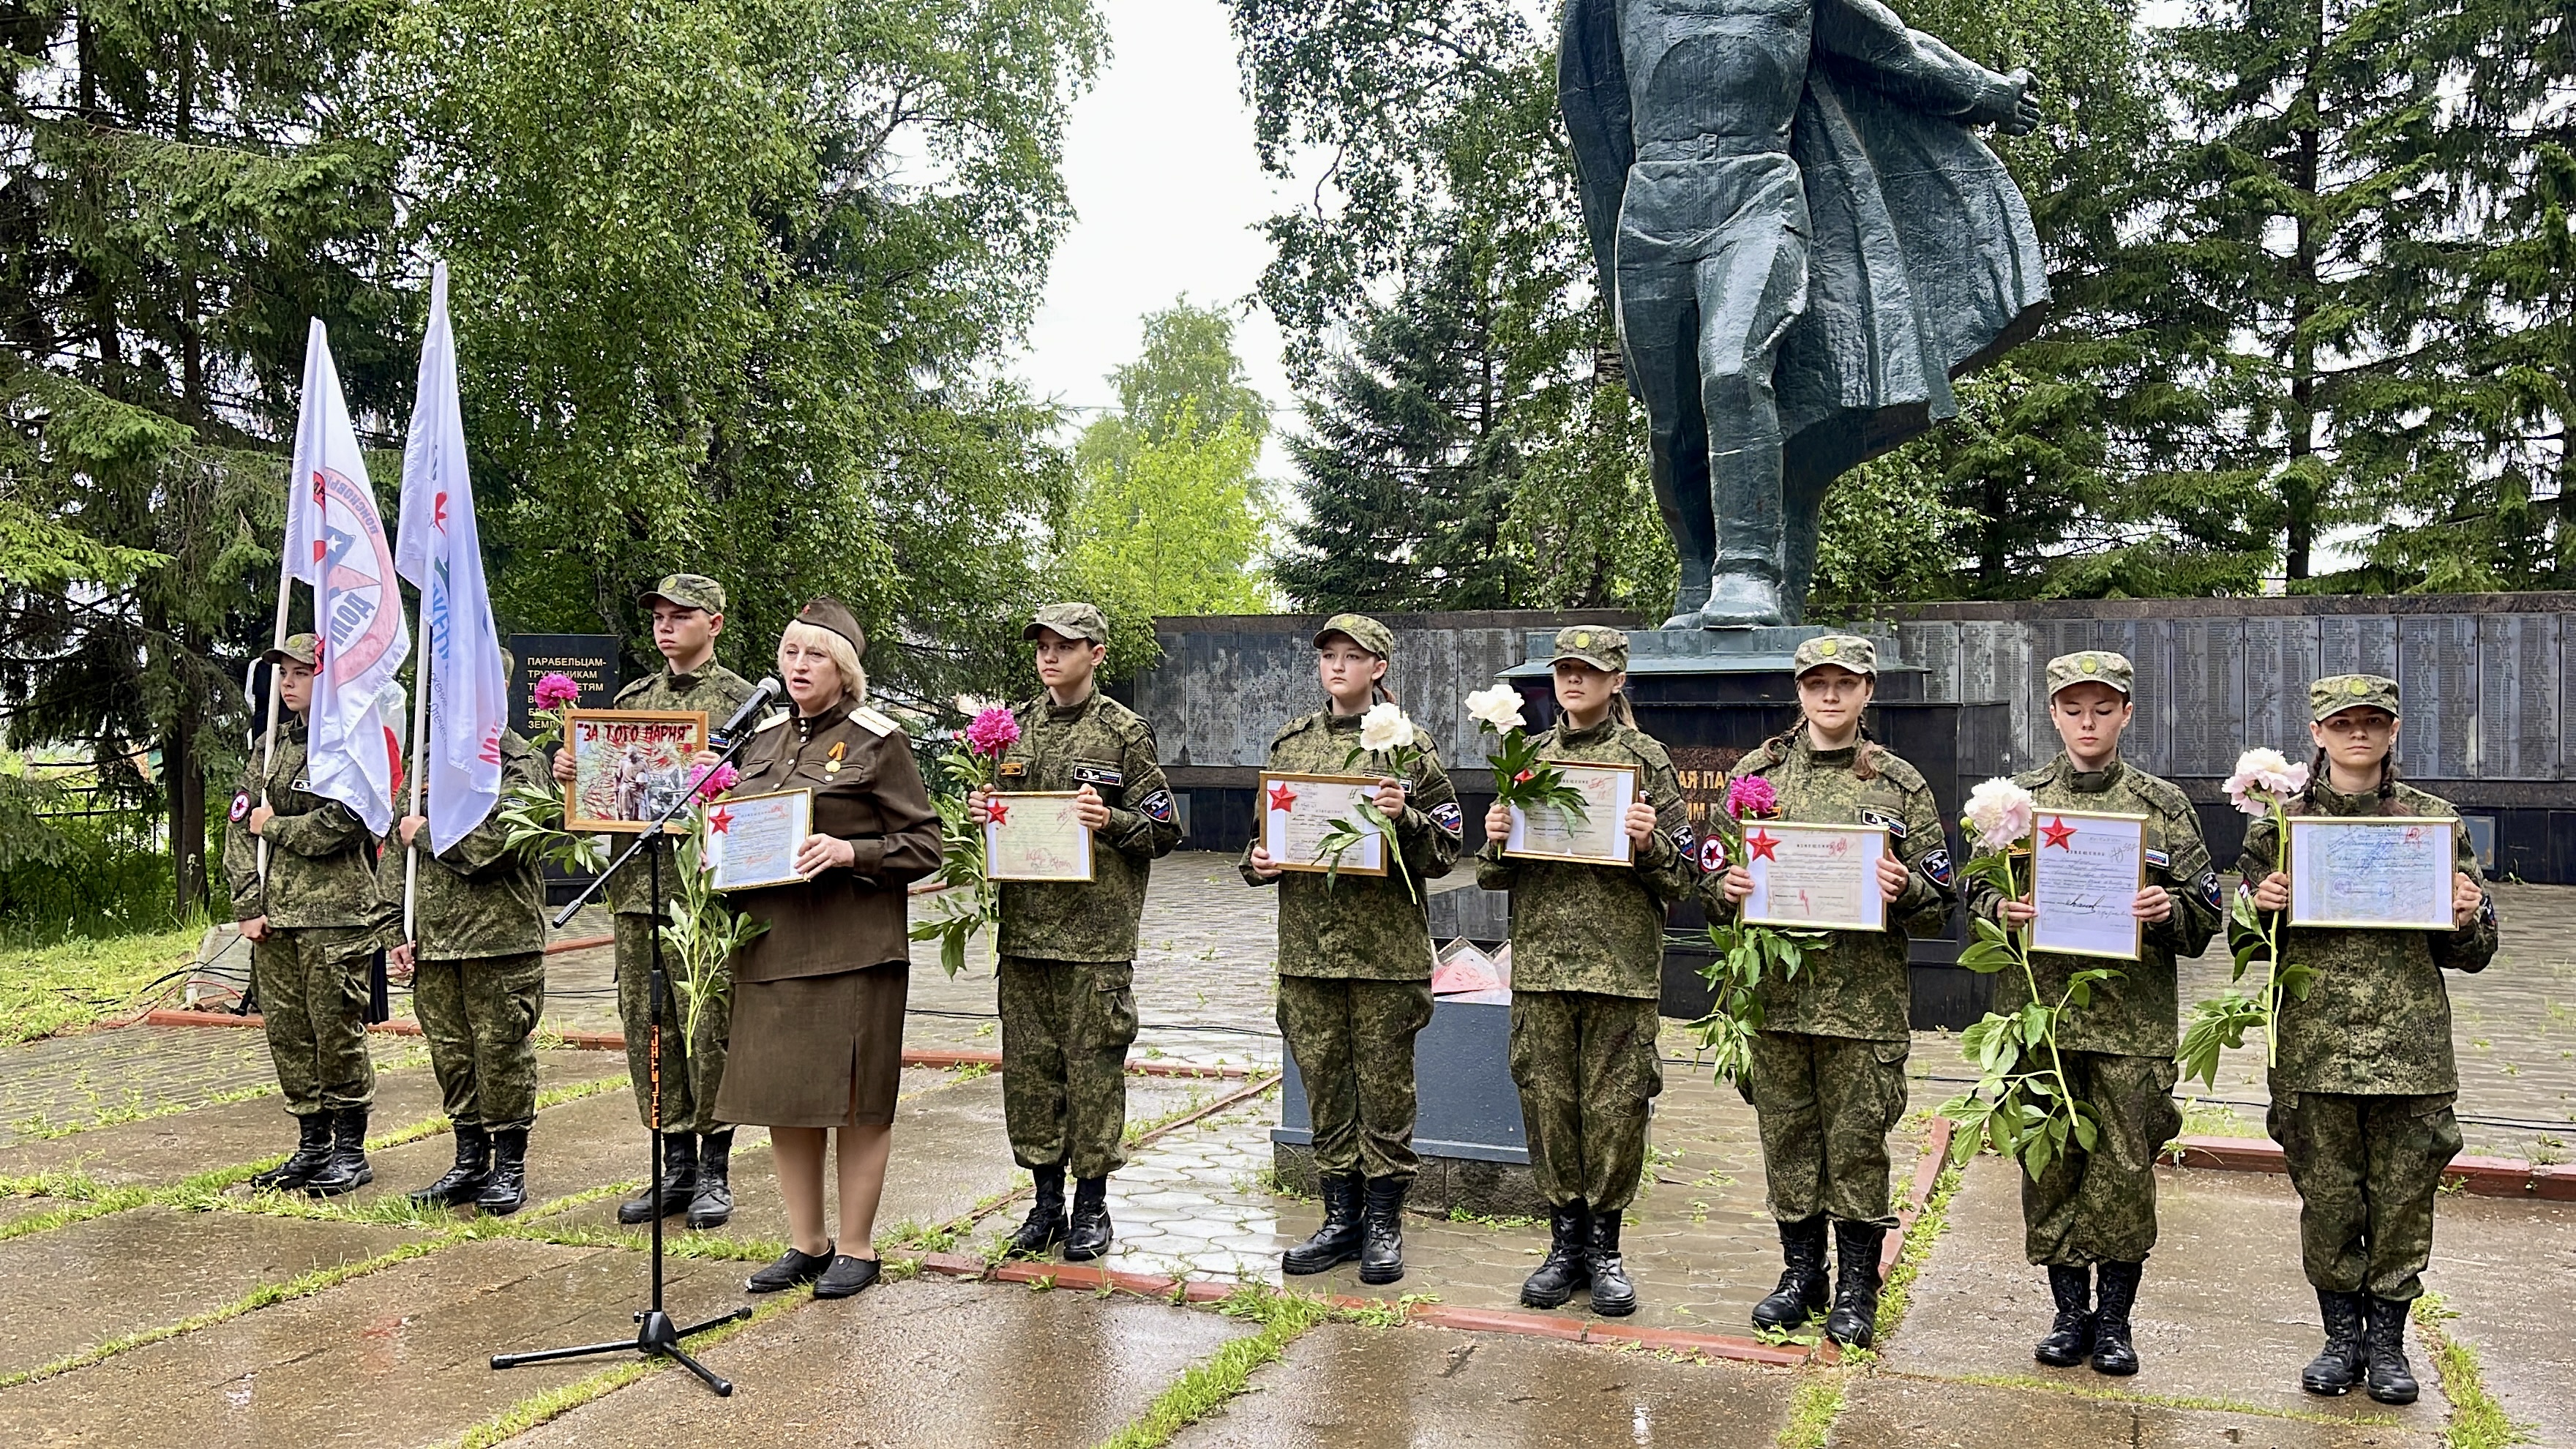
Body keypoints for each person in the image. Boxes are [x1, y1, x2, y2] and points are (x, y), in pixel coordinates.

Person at [2237, 674, 2496, 1405]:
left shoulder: (2433, 823)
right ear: (2316, 733)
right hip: (2314, 1053)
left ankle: (2386, 1345)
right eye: (2341, 722)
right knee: (2327, 1204)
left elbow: (2472, 953)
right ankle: (2338, 1338)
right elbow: (2239, 941)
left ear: (2392, 730)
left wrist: (2468, 912)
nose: (2357, 733)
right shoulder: (2278, 825)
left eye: (2371, 721)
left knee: (2404, 1203)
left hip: (2409, 1055)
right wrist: (2261, 906)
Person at [1962, 651, 2221, 1375]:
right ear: (2052, 713)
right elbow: (1970, 890)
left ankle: (2114, 1323)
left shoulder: (2161, 805)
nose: (2087, 721)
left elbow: (2207, 916)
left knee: (2123, 1170)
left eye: (2102, 708)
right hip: (2039, 1022)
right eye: (2073, 708)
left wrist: (2169, 909)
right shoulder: (2013, 804)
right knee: (2049, 1170)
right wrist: (2000, 909)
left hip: (2129, 1027)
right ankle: (2067, 1314)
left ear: (2125, 713)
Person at [1711, 634, 1953, 1348]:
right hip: (1777, 1002)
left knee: (1854, 1146)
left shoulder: (1899, 784)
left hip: (1862, 1006)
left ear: (1866, 691)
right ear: (1799, 689)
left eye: (1843, 682)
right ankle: (1799, 1276)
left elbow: (1942, 895)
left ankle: (1855, 1287)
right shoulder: (1758, 774)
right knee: (1786, 1138)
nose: (1829, 694)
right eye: (1816, 681)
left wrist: (1905, 887)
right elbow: (1711, 880)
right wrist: (1725, 888)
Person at [719, 599, 942, 1300]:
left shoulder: (881, 741)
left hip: (853, 946)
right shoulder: (762, 739)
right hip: (773, 944)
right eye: (789, 652)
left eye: (814, 655)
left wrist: (852, 850)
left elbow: (927, 845)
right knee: (787, 1097)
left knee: (857, 1100)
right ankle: (806, 1242)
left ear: (844, 670)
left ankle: (856, 1246)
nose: (798, 666)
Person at [1477, 626, 1697, 1317]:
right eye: (1565, 671)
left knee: (1615, 1108)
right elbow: (1491, 874)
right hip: (1543, 963)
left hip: (1619, 966)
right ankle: (1562, 1245)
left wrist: (1648, 841)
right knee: (1548, 1103)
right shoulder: (1528, 756)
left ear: (1616, 681)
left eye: (1589, 671)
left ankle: (1605, 1249)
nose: (1574, 682)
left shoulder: (1645, 761)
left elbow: (1686, 873)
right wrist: (1496, 838)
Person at [1243, 614, 1464, 1283]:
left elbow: (1448, 848)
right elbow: (1262, 844)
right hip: (1309, 952)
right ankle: (1340, 1218)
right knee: (1326, 1088)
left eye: (1352, 657)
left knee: (1387, 1092)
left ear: (1379, 669)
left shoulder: (1407, 746)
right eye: (1328, 656)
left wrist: (1409, 816)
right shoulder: (1292, 744)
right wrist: (1259, 862)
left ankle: (1385, 1224)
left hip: (1383, 955)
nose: (1337, 667)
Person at [967, 603, 1182, 1262]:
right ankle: (1043, 1204)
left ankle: (1092, 1206)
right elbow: (998, 822)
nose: (1049, 656)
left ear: (1097, 653)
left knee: (1092, 1074)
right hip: (1026, 937)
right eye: (1042, 645)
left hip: (1095, 942)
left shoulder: (1124, 733)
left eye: (1065, 645)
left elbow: (1167, 831)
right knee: (1030, 1077)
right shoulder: (1010, 732)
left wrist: (1110, 818)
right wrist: (980, 810)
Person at [554, 574, 760, 1229]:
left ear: (715, 623)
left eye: (681, 615)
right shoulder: (633, 698)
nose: (666, 627)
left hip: (702, 895)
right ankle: (671, 1166)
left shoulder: (743, 703)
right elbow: (611, 789)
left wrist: (723, 783)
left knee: (708, 1031)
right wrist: (575, 774)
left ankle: (714, 1171)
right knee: (651, 1029)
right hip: (636, 891)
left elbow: (765, 797)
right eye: (659, 617)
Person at [378, 690, 554, 1215]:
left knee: (501, 1052)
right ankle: (470, 1159)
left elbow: (505, 843)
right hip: (434, 938)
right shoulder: (428, 758)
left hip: (499, 938)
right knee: (452, 1054)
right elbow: (395, 845)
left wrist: (430, 835)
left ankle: (510, 1166)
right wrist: (393, 927)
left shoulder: (519, 761)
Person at [222, 633, 382, 1197]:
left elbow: (343, 824)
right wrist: (247, 905)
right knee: (288, 1034)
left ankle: (350, 1149)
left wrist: (277, 828)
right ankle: (312, 1144)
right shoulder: (268, 746)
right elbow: (239, 824)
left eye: (301, 673)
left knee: (335, 1030)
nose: (287, 684)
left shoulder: (349, 747)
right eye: (283, 673)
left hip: (334, 915)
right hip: (277, 918)